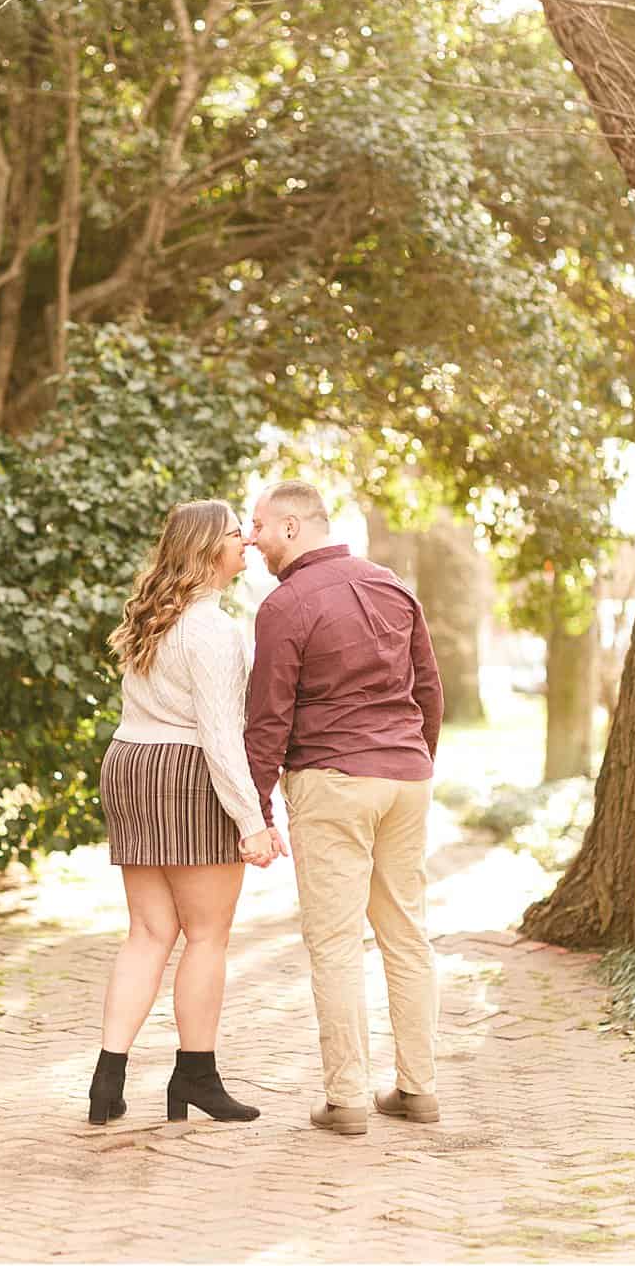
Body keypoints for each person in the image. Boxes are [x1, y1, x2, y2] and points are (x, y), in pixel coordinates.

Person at [242, 480, 444, 1137]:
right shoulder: (393, 587)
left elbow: (267, 719)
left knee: (334, 942)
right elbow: (429, 689)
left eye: (260, 526)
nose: (252, 539)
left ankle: (348, 1099)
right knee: (405, 935)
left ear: (294, 527)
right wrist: (415, 760)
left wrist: (260, 811)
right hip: (405, 778)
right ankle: (418, 1090)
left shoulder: (286, 604)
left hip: (333, 780)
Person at [88, 498, 284, 1127]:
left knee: (147, 933)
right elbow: (222, 736)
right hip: (183, 772)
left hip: (129, 764)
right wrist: (252, 821)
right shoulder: (212, 630)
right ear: (208, 551)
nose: (245, 545)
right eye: (235, 536)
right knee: (206, 935)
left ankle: (107, 1081)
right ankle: (196, 1075)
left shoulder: (155, 619)